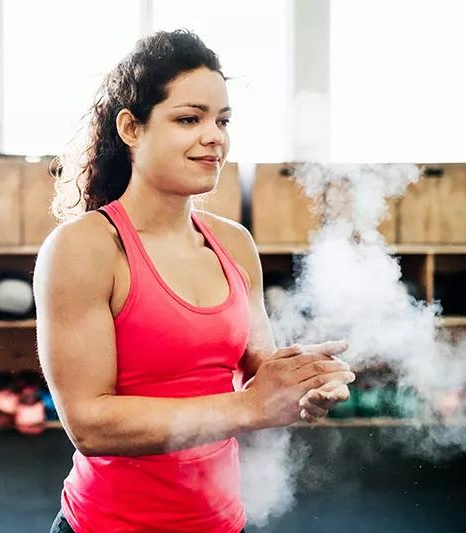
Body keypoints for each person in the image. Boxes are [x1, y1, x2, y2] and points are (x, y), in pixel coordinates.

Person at [33, 29, 354, 533]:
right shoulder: (85, 249)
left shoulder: (235, 243)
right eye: (190, 119)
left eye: (222, 121)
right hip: (110, 525)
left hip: (222, 521)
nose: (215, 137)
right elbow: (89, 423)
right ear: (131, 129)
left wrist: (300, 384)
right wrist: (249, 406)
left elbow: (257, 370)